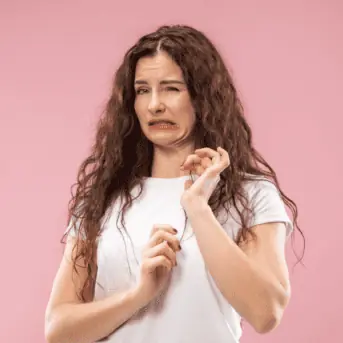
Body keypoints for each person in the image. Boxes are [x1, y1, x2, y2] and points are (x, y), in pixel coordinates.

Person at [44, 25, 304, 343]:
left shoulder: (251, 196)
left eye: (171, 88)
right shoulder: (103, 200)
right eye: (142, 90)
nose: (155, 104)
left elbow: (266, 313)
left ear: (202, 97)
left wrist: (197, 207)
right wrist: (140, 295)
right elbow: (58, 330)